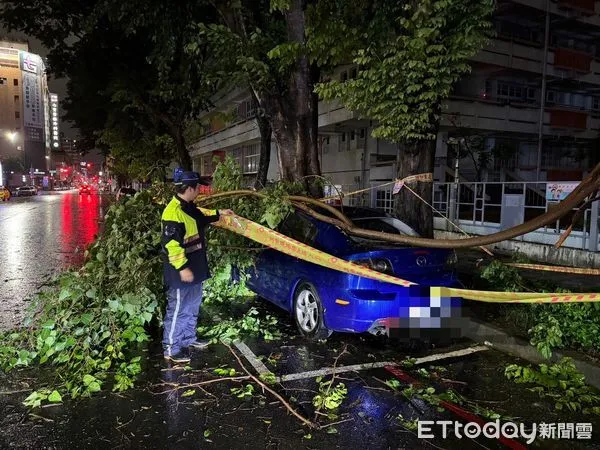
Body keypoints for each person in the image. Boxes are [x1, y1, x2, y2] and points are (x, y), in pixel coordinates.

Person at [161, 171, 233, 363]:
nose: (200, 191)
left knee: (192, 306)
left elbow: (201, 219)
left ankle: (188, 338)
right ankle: (171, 348)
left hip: (196, 267)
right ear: (190, 188)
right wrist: (183, 268)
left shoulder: (189, 207)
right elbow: (171, 246)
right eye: (199, 188)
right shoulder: (172, 213)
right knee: (177, 309)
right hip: (181, 271)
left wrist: (219, 214)